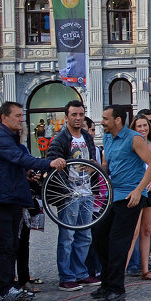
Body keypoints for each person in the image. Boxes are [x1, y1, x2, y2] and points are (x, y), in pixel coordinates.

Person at [0, 102, 66, 301]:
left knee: (13, 245)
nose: (21, 119)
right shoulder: (0, 137)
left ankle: (11, 286)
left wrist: (28, 173)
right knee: (6, 245)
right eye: (17, 115)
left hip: (13, 198)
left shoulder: (12, 138)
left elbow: (19, 161)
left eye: (22, 115)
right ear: (4, 118)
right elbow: (19, 158)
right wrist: (48, 162)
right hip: (2, 200)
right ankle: (5, 289)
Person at [90, 105, 151, 301]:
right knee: (99, 236)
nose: (101, 122)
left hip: (130, 196)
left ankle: (117, 288)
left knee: (118, 242)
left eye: (105, 118)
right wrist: (93, 170)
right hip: (113, 195)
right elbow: (106, 165)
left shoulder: (134, 138)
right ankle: (106, 283)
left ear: (117, 120)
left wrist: (138, 190)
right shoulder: (108, 138)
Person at [45, 99, 98, 291]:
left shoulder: (87, 136)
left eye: (81, 114)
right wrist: (58, 162)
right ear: (66, 117)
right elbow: (50, 162)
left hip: (86, 192)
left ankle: (80, 273)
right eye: (74, 115)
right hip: (69, 194)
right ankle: (66, 276)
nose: (78, 118)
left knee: (85, 236)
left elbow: (93, 161)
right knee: (67, 236)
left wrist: (91, 168)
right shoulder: (60, 139)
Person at [124, 115, 151, 282]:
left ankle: (145, 270)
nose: (142, 129)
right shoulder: (131, 144)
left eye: (145, 125)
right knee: (133, 232)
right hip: (137, 188)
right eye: (139, 126)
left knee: (147, 231)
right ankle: (121, 270)